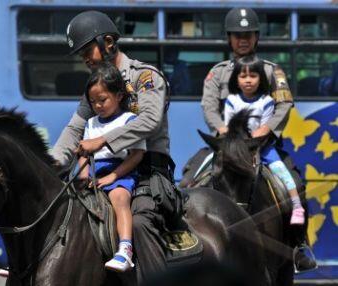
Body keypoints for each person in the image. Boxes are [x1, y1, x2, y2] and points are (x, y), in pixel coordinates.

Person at [181, 6, 316, 271]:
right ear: (229, 38)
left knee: (296, 184)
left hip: (262, 145)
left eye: (249, 34)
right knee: (188, 179)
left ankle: (299, 245)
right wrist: (223, 133)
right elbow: (209, 106)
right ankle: (184, 241)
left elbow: (284, 105)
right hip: (225, 146)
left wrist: (263, 132)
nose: (243, 39)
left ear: (257, 38)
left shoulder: (270, 71)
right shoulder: (217, 72)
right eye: (237, 34)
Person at [52, 10, 182, 282]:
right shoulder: (96, 87)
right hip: (101, 174)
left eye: (88, 51)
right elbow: (75, 129)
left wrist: (102, 141)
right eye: (81, 55)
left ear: (108, 42)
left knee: (140, 223)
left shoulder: (145, 77)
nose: (85, 59)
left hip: (147, 171)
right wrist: (52, 163)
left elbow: (150, 121)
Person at [78, 63, 146, 272]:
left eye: (102, 100)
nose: (98, 105)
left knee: (119, 198)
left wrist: (113, 177)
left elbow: (137, 155)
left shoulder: (129, 120)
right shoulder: (90, 124)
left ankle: (125, 250)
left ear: (118, 96)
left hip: (121, 170)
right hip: (94, 170)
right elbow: (84, 154)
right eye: (93, 102)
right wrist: (83, 174)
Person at [224, 55, 305, 224]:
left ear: (261, 79)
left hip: (262, 147)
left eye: (253, 76)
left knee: (282, 172)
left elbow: (263, 129)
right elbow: (229, 127)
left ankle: (297, 206)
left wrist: (252, 145)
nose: (248, 80)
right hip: (235, 147)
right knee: (207, 165)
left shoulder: (267, 102)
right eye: (243, 76)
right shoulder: (231, 101)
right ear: (236, 79)